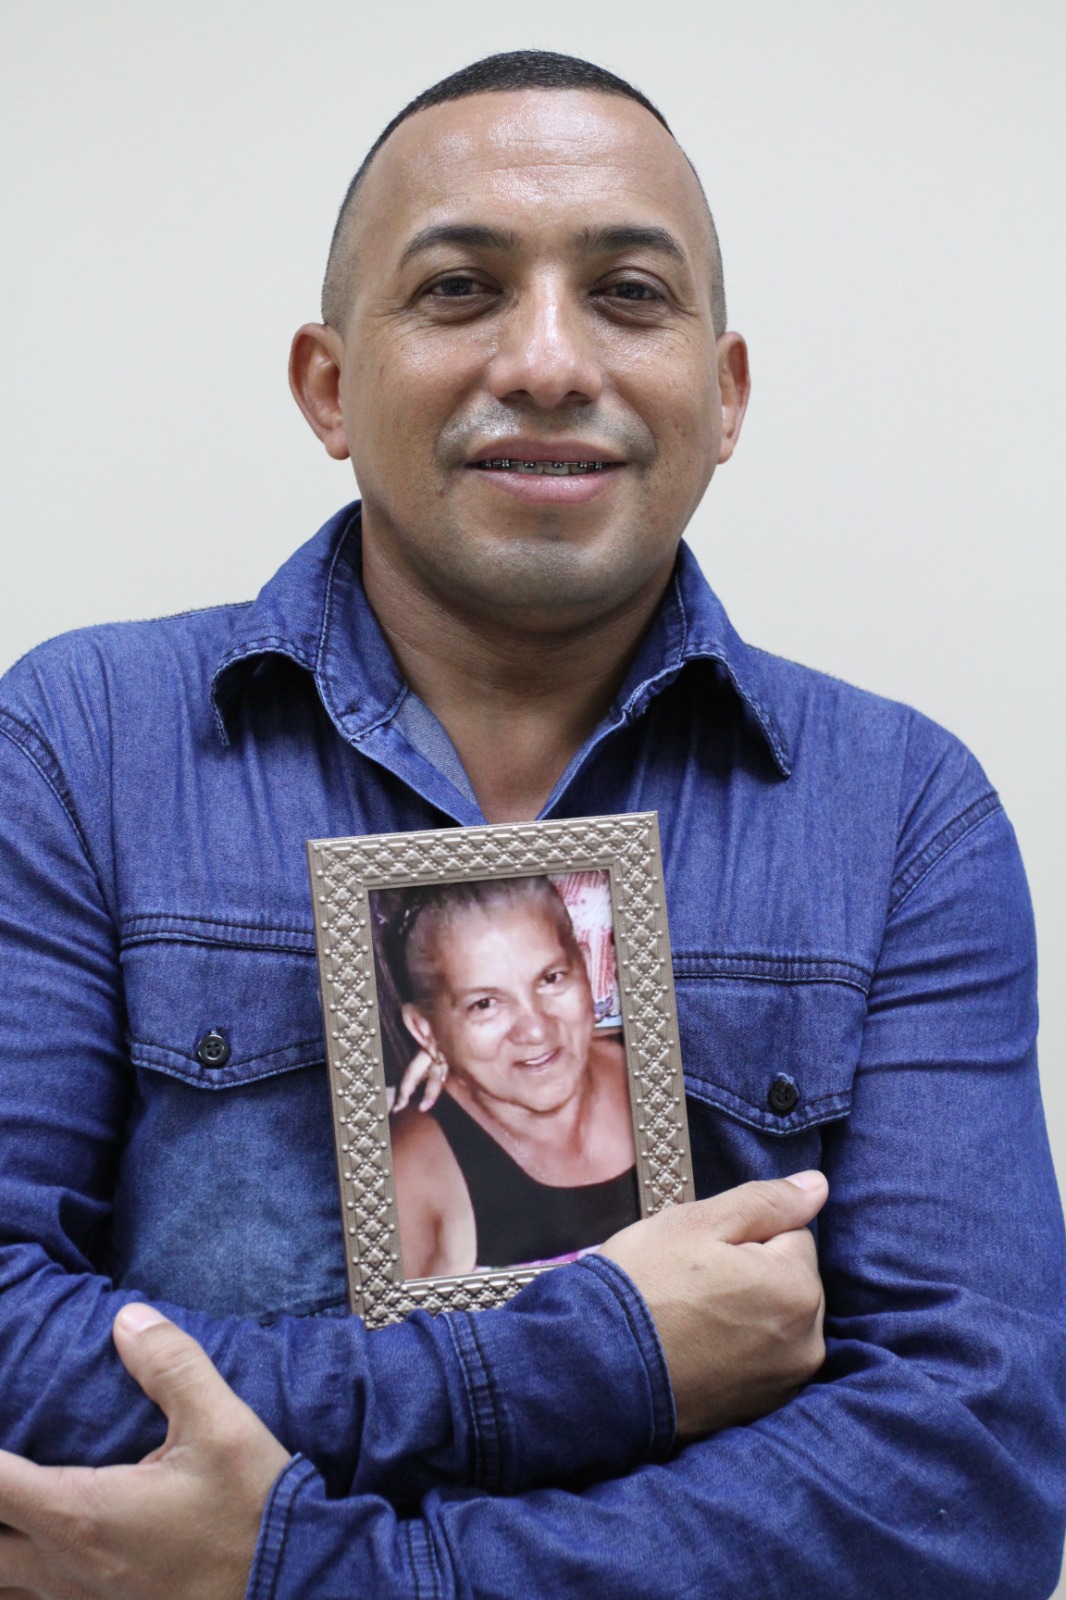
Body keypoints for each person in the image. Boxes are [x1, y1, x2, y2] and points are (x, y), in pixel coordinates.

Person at [0, 46, 1063, 1600]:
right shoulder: (80, 744)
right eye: (458, 290)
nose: (550, 360)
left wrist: (305, 1572)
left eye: (627, 294)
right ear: (328, 387)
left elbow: (966, 1484)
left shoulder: (902, 814)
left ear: (723, 392)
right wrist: (596, 1358)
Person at [387, 876, 639, 1274]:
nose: (536, 1030)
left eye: (551, 979)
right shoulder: (411, 1172)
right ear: (425, 1030)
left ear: (586, 969)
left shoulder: (662, 1071)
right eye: (485, 1004)